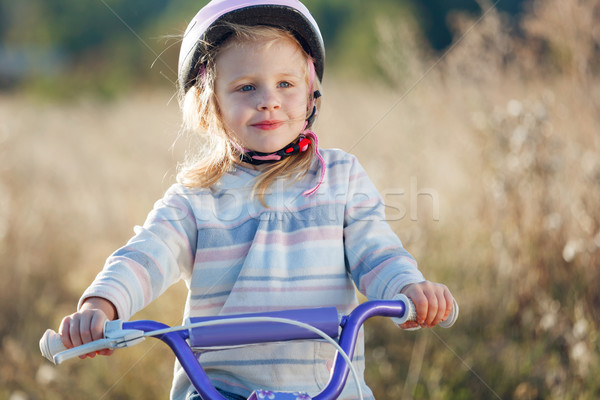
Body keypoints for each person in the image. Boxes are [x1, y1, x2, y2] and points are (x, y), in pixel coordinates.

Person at [57, 1, 456, 399]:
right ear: (210, 104)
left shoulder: (340, 177)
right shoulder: (195, 197)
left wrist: (408, 287)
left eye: (285, 84)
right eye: (246, 87)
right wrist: (102, 305)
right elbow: (146, 253)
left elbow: (376, 251)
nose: (268, 100)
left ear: (311, 95)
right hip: (218, 389)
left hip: (330, 387)